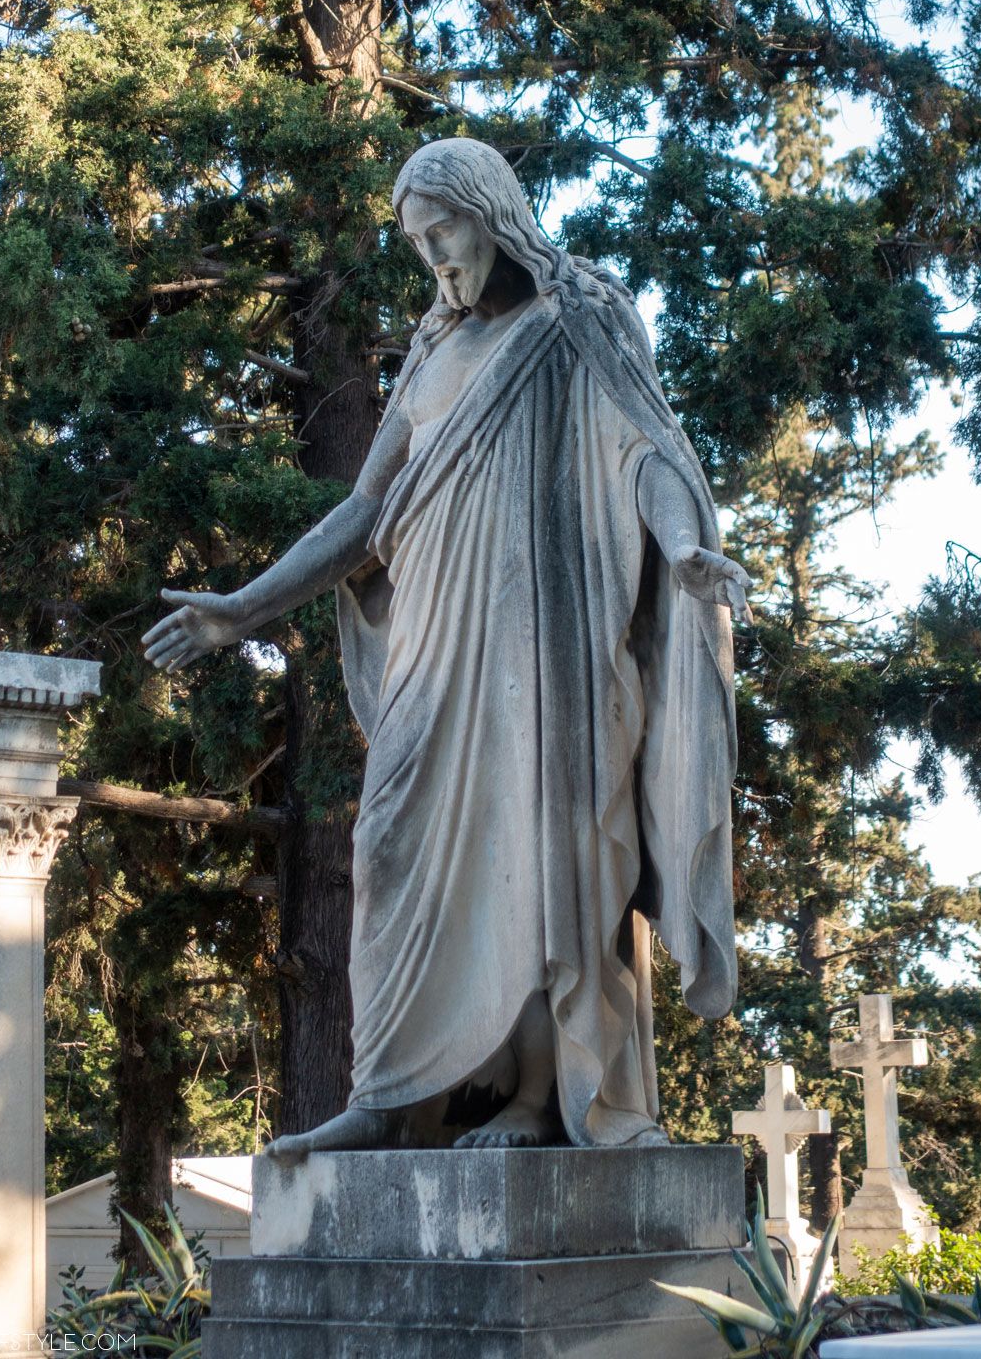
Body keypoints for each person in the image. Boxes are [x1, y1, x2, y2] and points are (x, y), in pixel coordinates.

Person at [142, 137, 749, 1153]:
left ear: (492, 212)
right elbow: (364, 510)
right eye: (418, 243)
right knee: (387, 847)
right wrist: (242, 609)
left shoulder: (581, 318)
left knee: (541, 855)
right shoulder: (432, 350)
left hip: (546, 644)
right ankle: (391, 1097)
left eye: (444, 232)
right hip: (432, 642)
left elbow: (648, 452)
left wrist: (684, 548)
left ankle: (538, 1099)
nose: (434, 258)